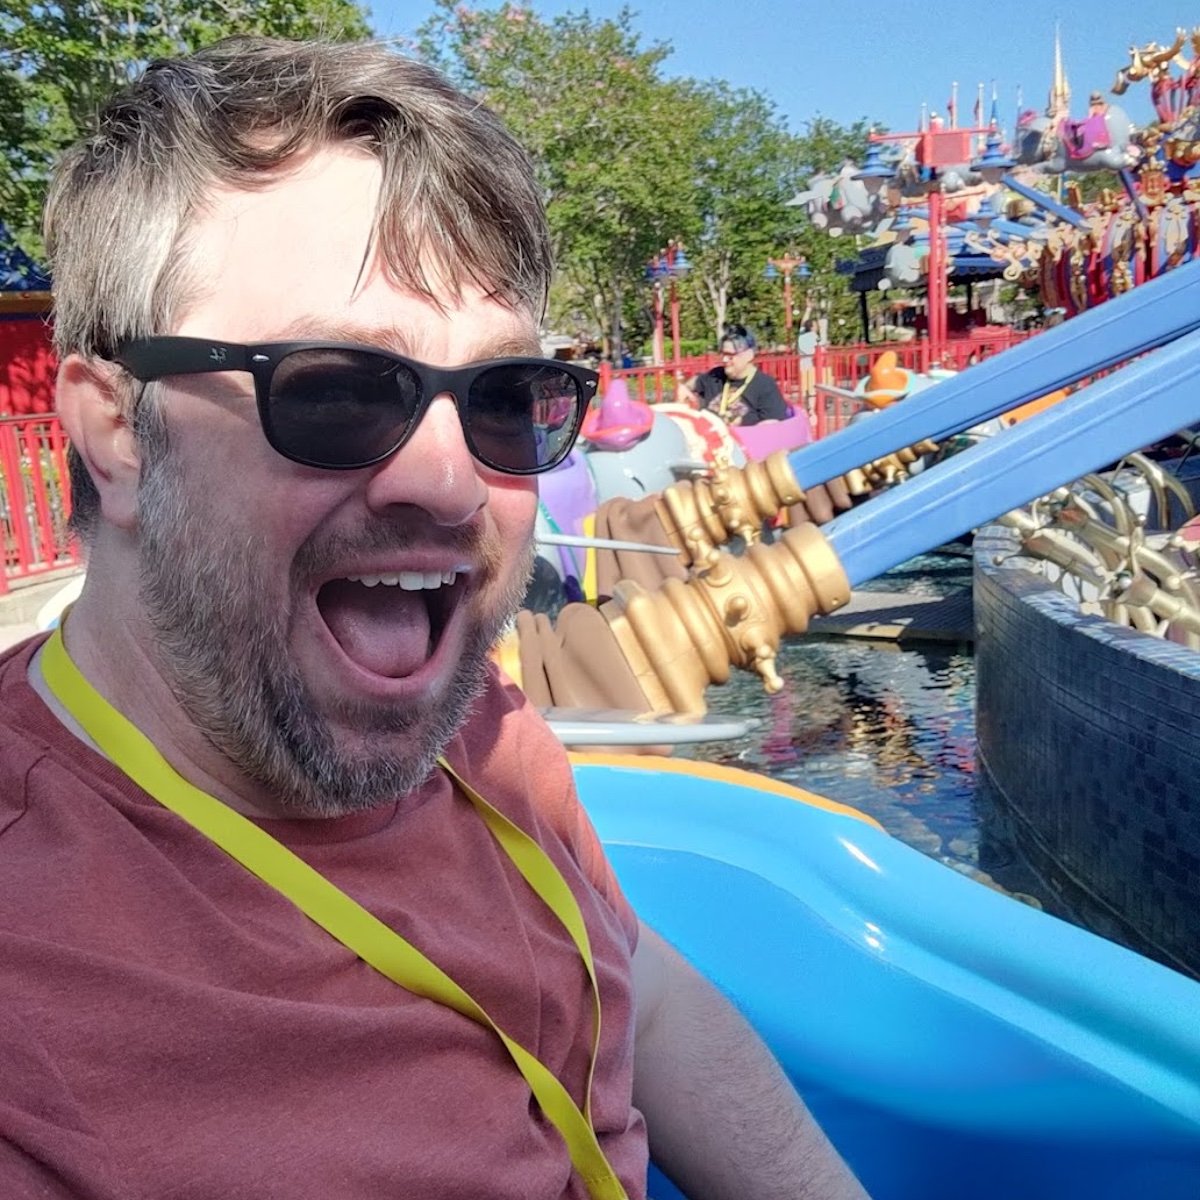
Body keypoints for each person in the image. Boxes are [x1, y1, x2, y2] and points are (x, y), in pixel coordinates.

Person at [0, 37, 869, 1200]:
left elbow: (638, 993)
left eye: (506, 397)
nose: (454, 485)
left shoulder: (483, 732)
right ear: (116, 432)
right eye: (341, 386)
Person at [677, 325, 789, 427]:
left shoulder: (765, 385)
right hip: (712, 441)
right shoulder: (715, 375)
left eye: (731, 355)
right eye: (723, 354)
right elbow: (696, 381)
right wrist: (684, 388)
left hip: (746, 444)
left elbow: (773, 424)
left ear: (749, 355)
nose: (725, 360)